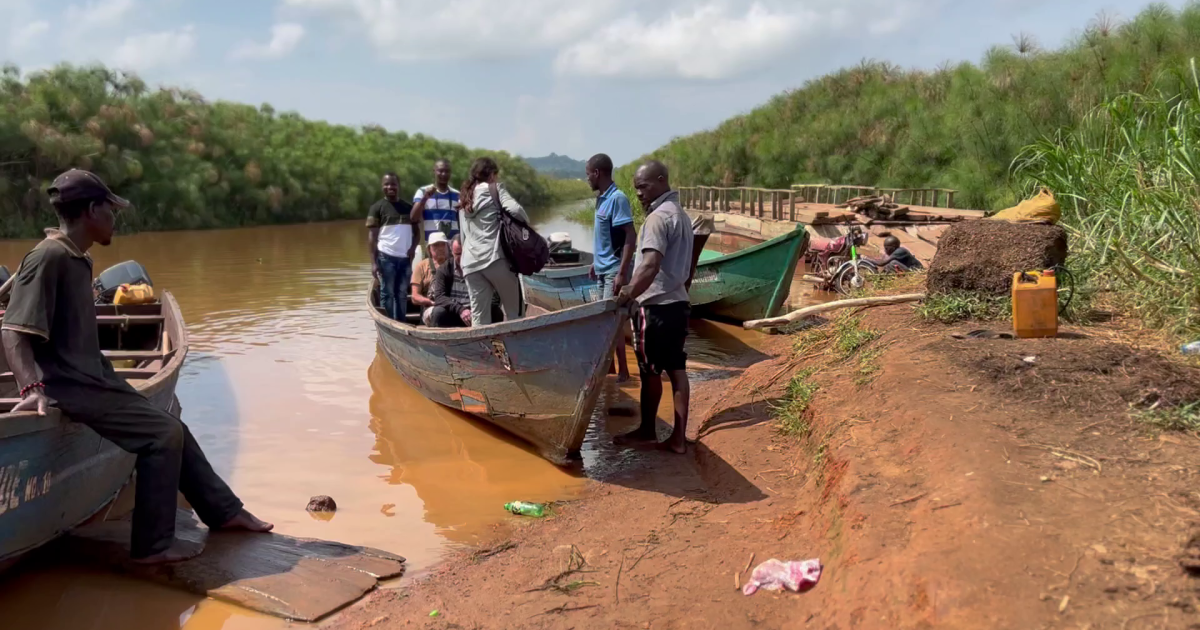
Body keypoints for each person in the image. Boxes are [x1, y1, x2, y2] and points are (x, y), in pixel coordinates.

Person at [1, 169, 272, 564]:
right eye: (110, 210)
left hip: (93, 378)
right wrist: (31, 389)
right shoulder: (49, 256)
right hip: (69, 385)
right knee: (161, 435)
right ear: (92, 210)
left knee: (171, 425)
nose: (115, 218)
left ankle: (224, 510)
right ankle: (154, 545)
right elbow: (13, 332)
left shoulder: (75, 256)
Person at [615, 161, 694, 455]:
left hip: (656, 308)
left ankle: (648, 432)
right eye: (635, 188)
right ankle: (678, 439)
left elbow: (649, 265)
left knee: (649, 372)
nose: (638, 194)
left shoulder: (657, 219)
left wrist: (627, 294)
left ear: (661, 181)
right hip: (679, 304)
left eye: (643, 187)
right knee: (677, 370)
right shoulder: (682, 216)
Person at [457, 157, 527, 326]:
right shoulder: (494, 189)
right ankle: (517, 351)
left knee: (480, 319)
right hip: (495, 259)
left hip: (470, 264)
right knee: (515, 314)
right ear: (492, 175)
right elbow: (516, 210)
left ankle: (483, 351)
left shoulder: (465, 197)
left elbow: (462, 235)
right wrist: (525, 225)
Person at [586, 153, 636, 383]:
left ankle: (622, 371)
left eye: (588, 174)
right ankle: (613, 369)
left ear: (597, 173)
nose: (587, 179)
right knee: (608, 321)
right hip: (602, 270)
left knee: (610, 322)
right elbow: (604, 238)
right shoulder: (601, 199)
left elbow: (629, 236)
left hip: (614, 271)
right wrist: (595, 263)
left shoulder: (618, 199)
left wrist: (622, 272)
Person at [367, 172, 422, 321]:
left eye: (393, 184)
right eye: (387, 184)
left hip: (405, 258)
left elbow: (417, 233)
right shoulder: (377, 208)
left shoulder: (408, 208)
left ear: (398, 186)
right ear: (382, 187)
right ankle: (390, 322)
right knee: (388, 293)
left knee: (402, 293)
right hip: (386, 257)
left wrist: (412, 249)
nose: (390, 187)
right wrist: (373, 262)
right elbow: (372, 237)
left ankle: (401, 322)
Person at [429, 236, 502, 328]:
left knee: (496, 312)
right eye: (458, 254)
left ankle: (494, 340)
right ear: (452, 252)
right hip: (454, 313)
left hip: (476, 312)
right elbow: (439, 297)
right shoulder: (444, 269)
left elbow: (495, 297)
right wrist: (460, 309)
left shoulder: (480, 267)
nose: (462, 257)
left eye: (464, 253)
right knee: (438, 313)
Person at [412, 159, 460, 246]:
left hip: (451, 247)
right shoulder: (423, 191)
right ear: (434, 171)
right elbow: (413, 218)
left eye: (447, 171)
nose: (444, 174)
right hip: (431, 246)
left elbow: (460, 221)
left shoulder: (457, 195)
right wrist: (425, 198)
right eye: (440, 171)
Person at [411, 232, 451, 325]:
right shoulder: (421, 266)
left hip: (451, 305)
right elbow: (414, 297)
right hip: (430, 308)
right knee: (439, 312)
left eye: (443, 245)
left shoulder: (453, 264)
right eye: (436, 245)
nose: (440, 248)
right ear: (429, 249)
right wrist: (431, 302)